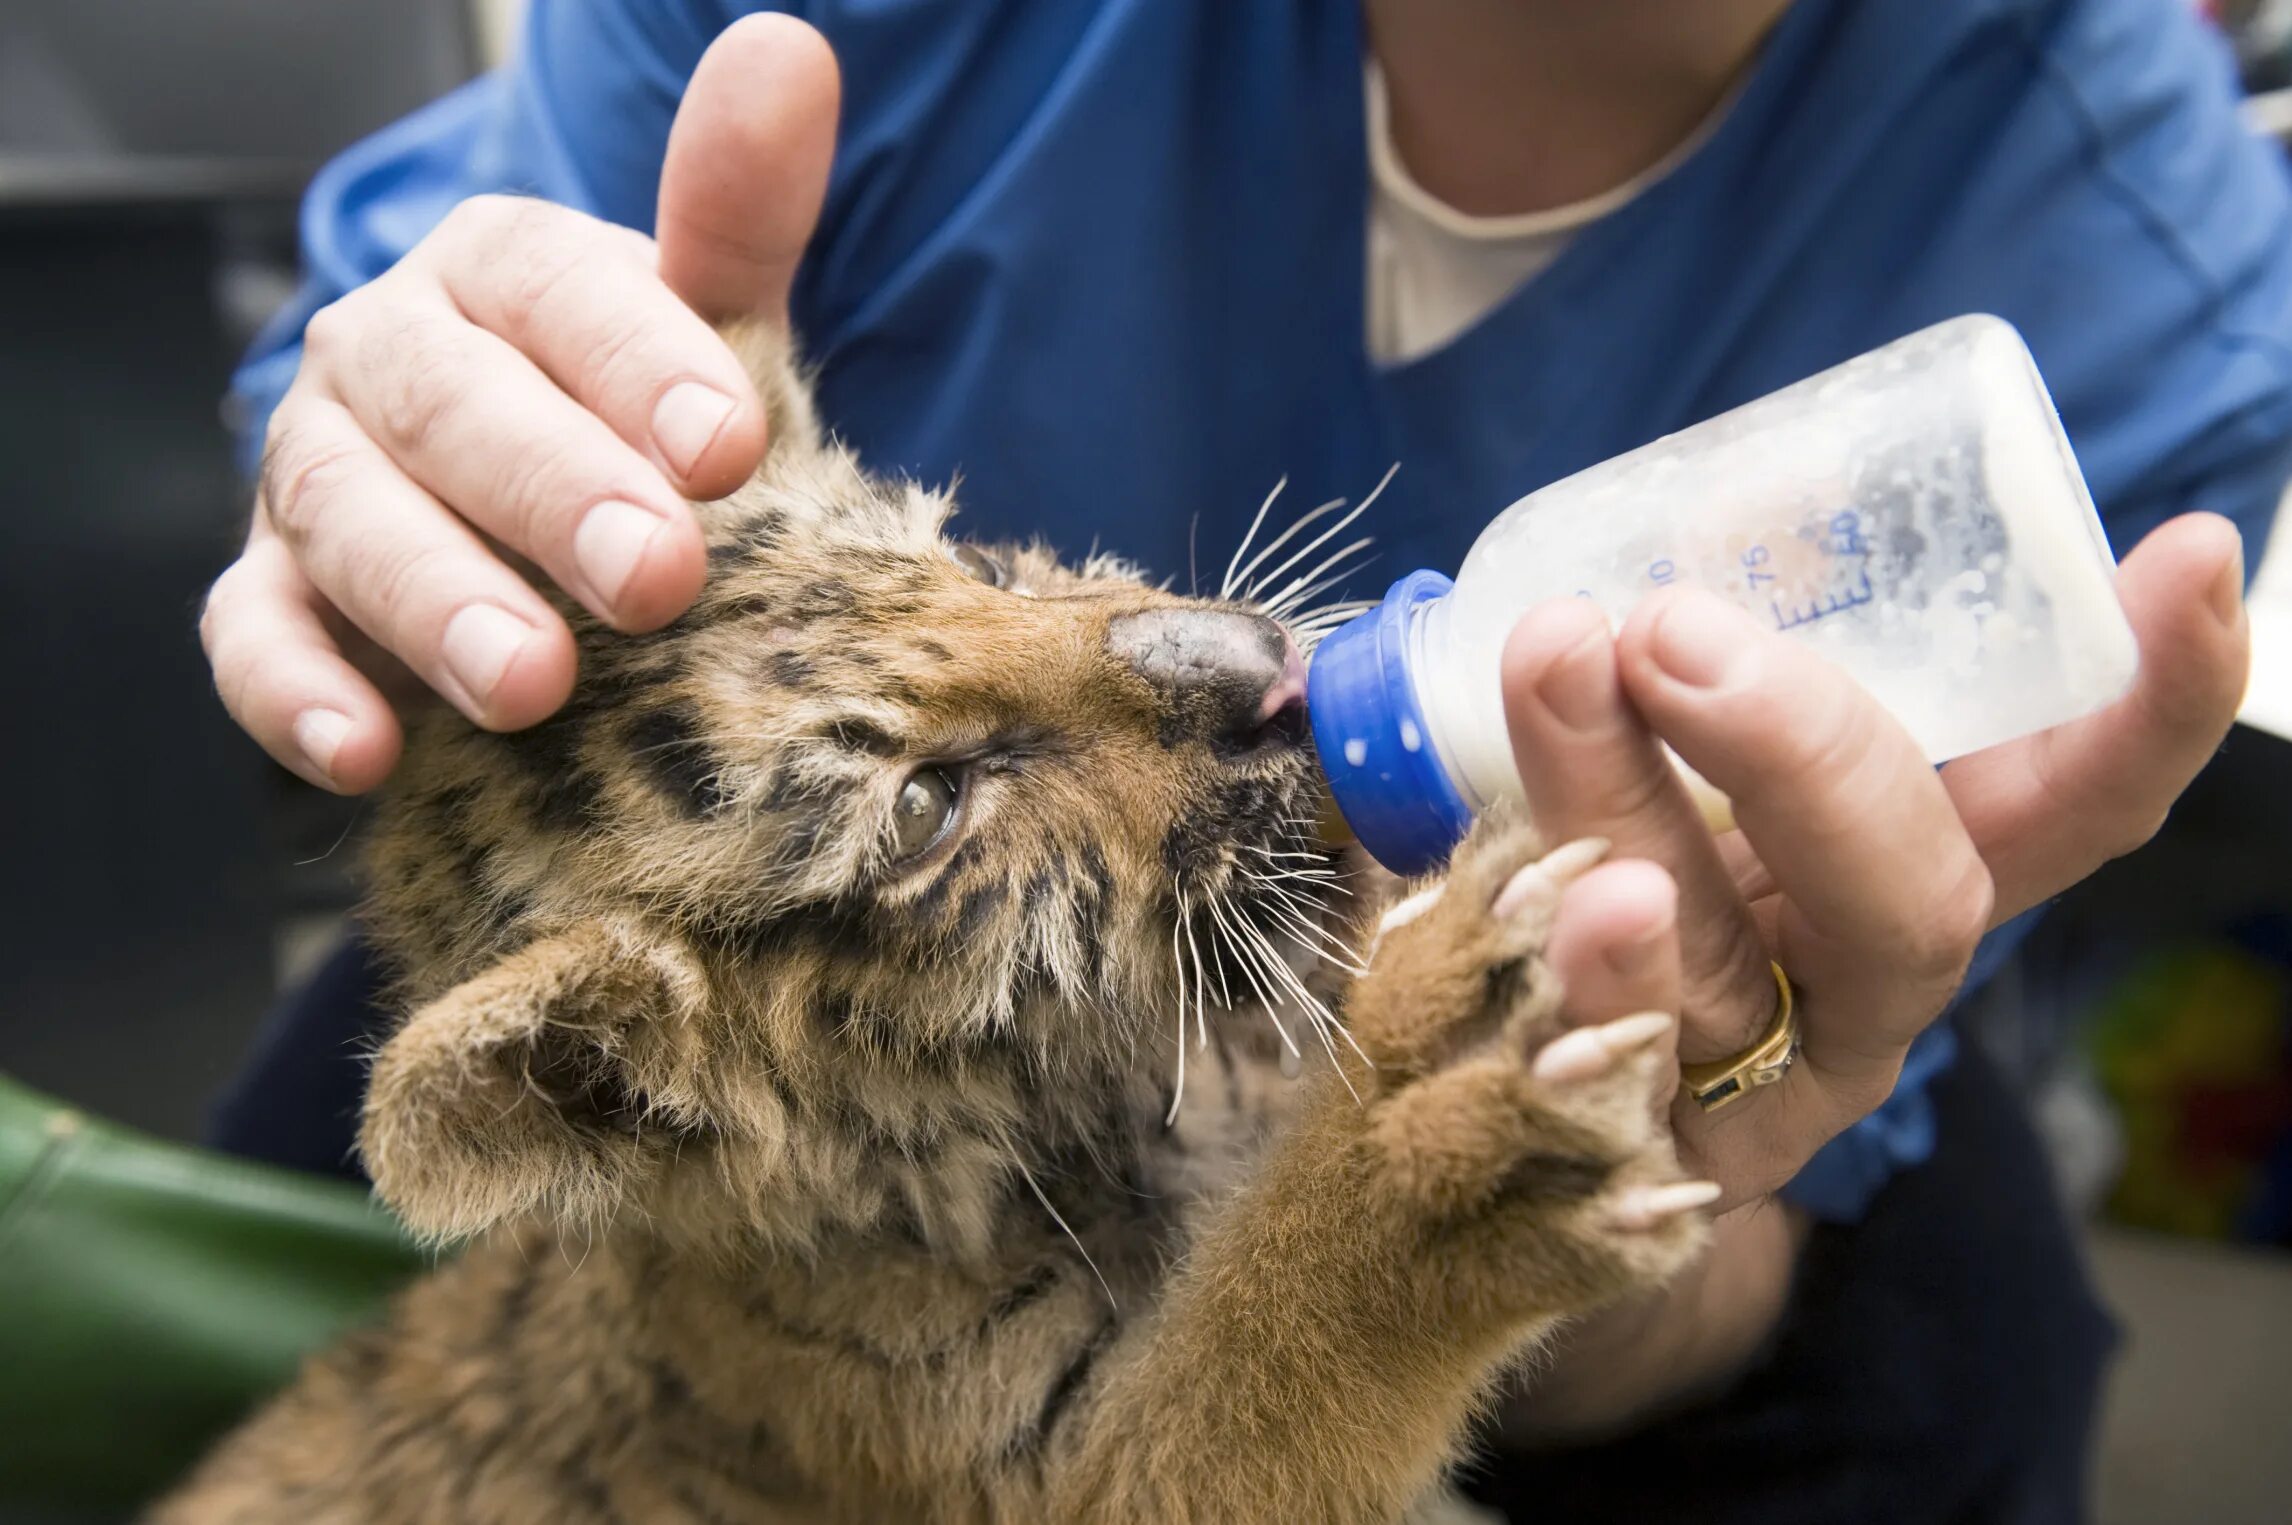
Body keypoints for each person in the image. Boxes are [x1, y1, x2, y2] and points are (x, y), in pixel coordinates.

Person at [198, 1, 2288, 1519]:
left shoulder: (2155, 283)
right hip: (791, 1106)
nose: (1184, 646)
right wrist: (377, 487)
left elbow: (1740, 1135)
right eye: (932, 791)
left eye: (982, 556)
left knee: (1965, 1362)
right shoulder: (652, 1069)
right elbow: (414, 407)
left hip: (1660, 1071)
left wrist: (1558, 1142)